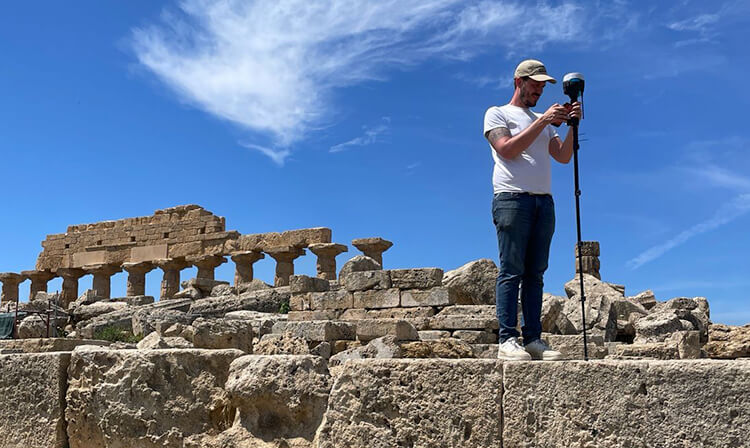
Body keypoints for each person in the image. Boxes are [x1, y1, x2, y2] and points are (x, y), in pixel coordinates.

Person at [483, 59, 581, 360]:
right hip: (512, 198)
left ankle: (533, 339)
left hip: (543, 200)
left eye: (542, 85)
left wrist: (573, 126)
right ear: (519, 82)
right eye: (534, 83)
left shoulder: (544, 119)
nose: (539, 89)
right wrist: (542, 121)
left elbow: (563, 157)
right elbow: (507, 149)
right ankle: (507, 339)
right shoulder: (497, 113)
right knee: (512, 270)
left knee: (536, 273)